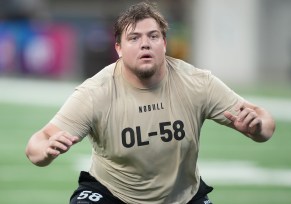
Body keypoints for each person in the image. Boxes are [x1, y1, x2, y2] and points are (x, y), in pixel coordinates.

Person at [25, 2, 276, 204]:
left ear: (164, 44)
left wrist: (257, 128)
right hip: (113, 195)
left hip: (183, 197)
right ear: (119, 48)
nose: (145, 43)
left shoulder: (196, 83)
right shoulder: (96, 91)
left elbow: (265, 123)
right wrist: (46, 152)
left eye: (153, 36)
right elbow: (36, 145)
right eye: (134, 38)